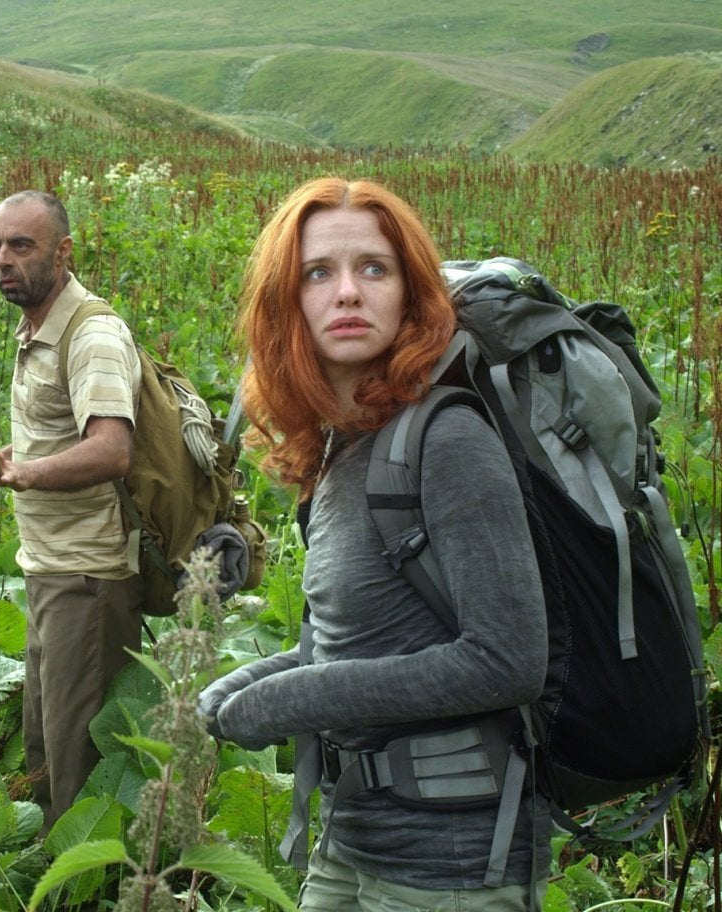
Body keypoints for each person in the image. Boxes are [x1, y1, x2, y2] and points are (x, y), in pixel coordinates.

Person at [198, 177, 551, 910]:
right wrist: (253, 682)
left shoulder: (448, 439)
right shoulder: (340, 444)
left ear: (410, 294)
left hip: (450, 865)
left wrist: (297, 696)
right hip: (351, 836)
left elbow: (507, 661)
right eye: (318, 272)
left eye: (374, 269)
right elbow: (367, 641)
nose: (348, 293)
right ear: (284, 303)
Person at [0, 190, 144, 832]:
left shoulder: (91, 334)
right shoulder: (37, 327)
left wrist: (19, 474)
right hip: (49, 569)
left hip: (87, 578)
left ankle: (92, 892)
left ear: (63, 252)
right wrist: (0, 461)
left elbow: (112, 449)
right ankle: (51, 883)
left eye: (21, 246)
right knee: (41, 752)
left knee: (76, 766)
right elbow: (57, 436)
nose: (3, 260)